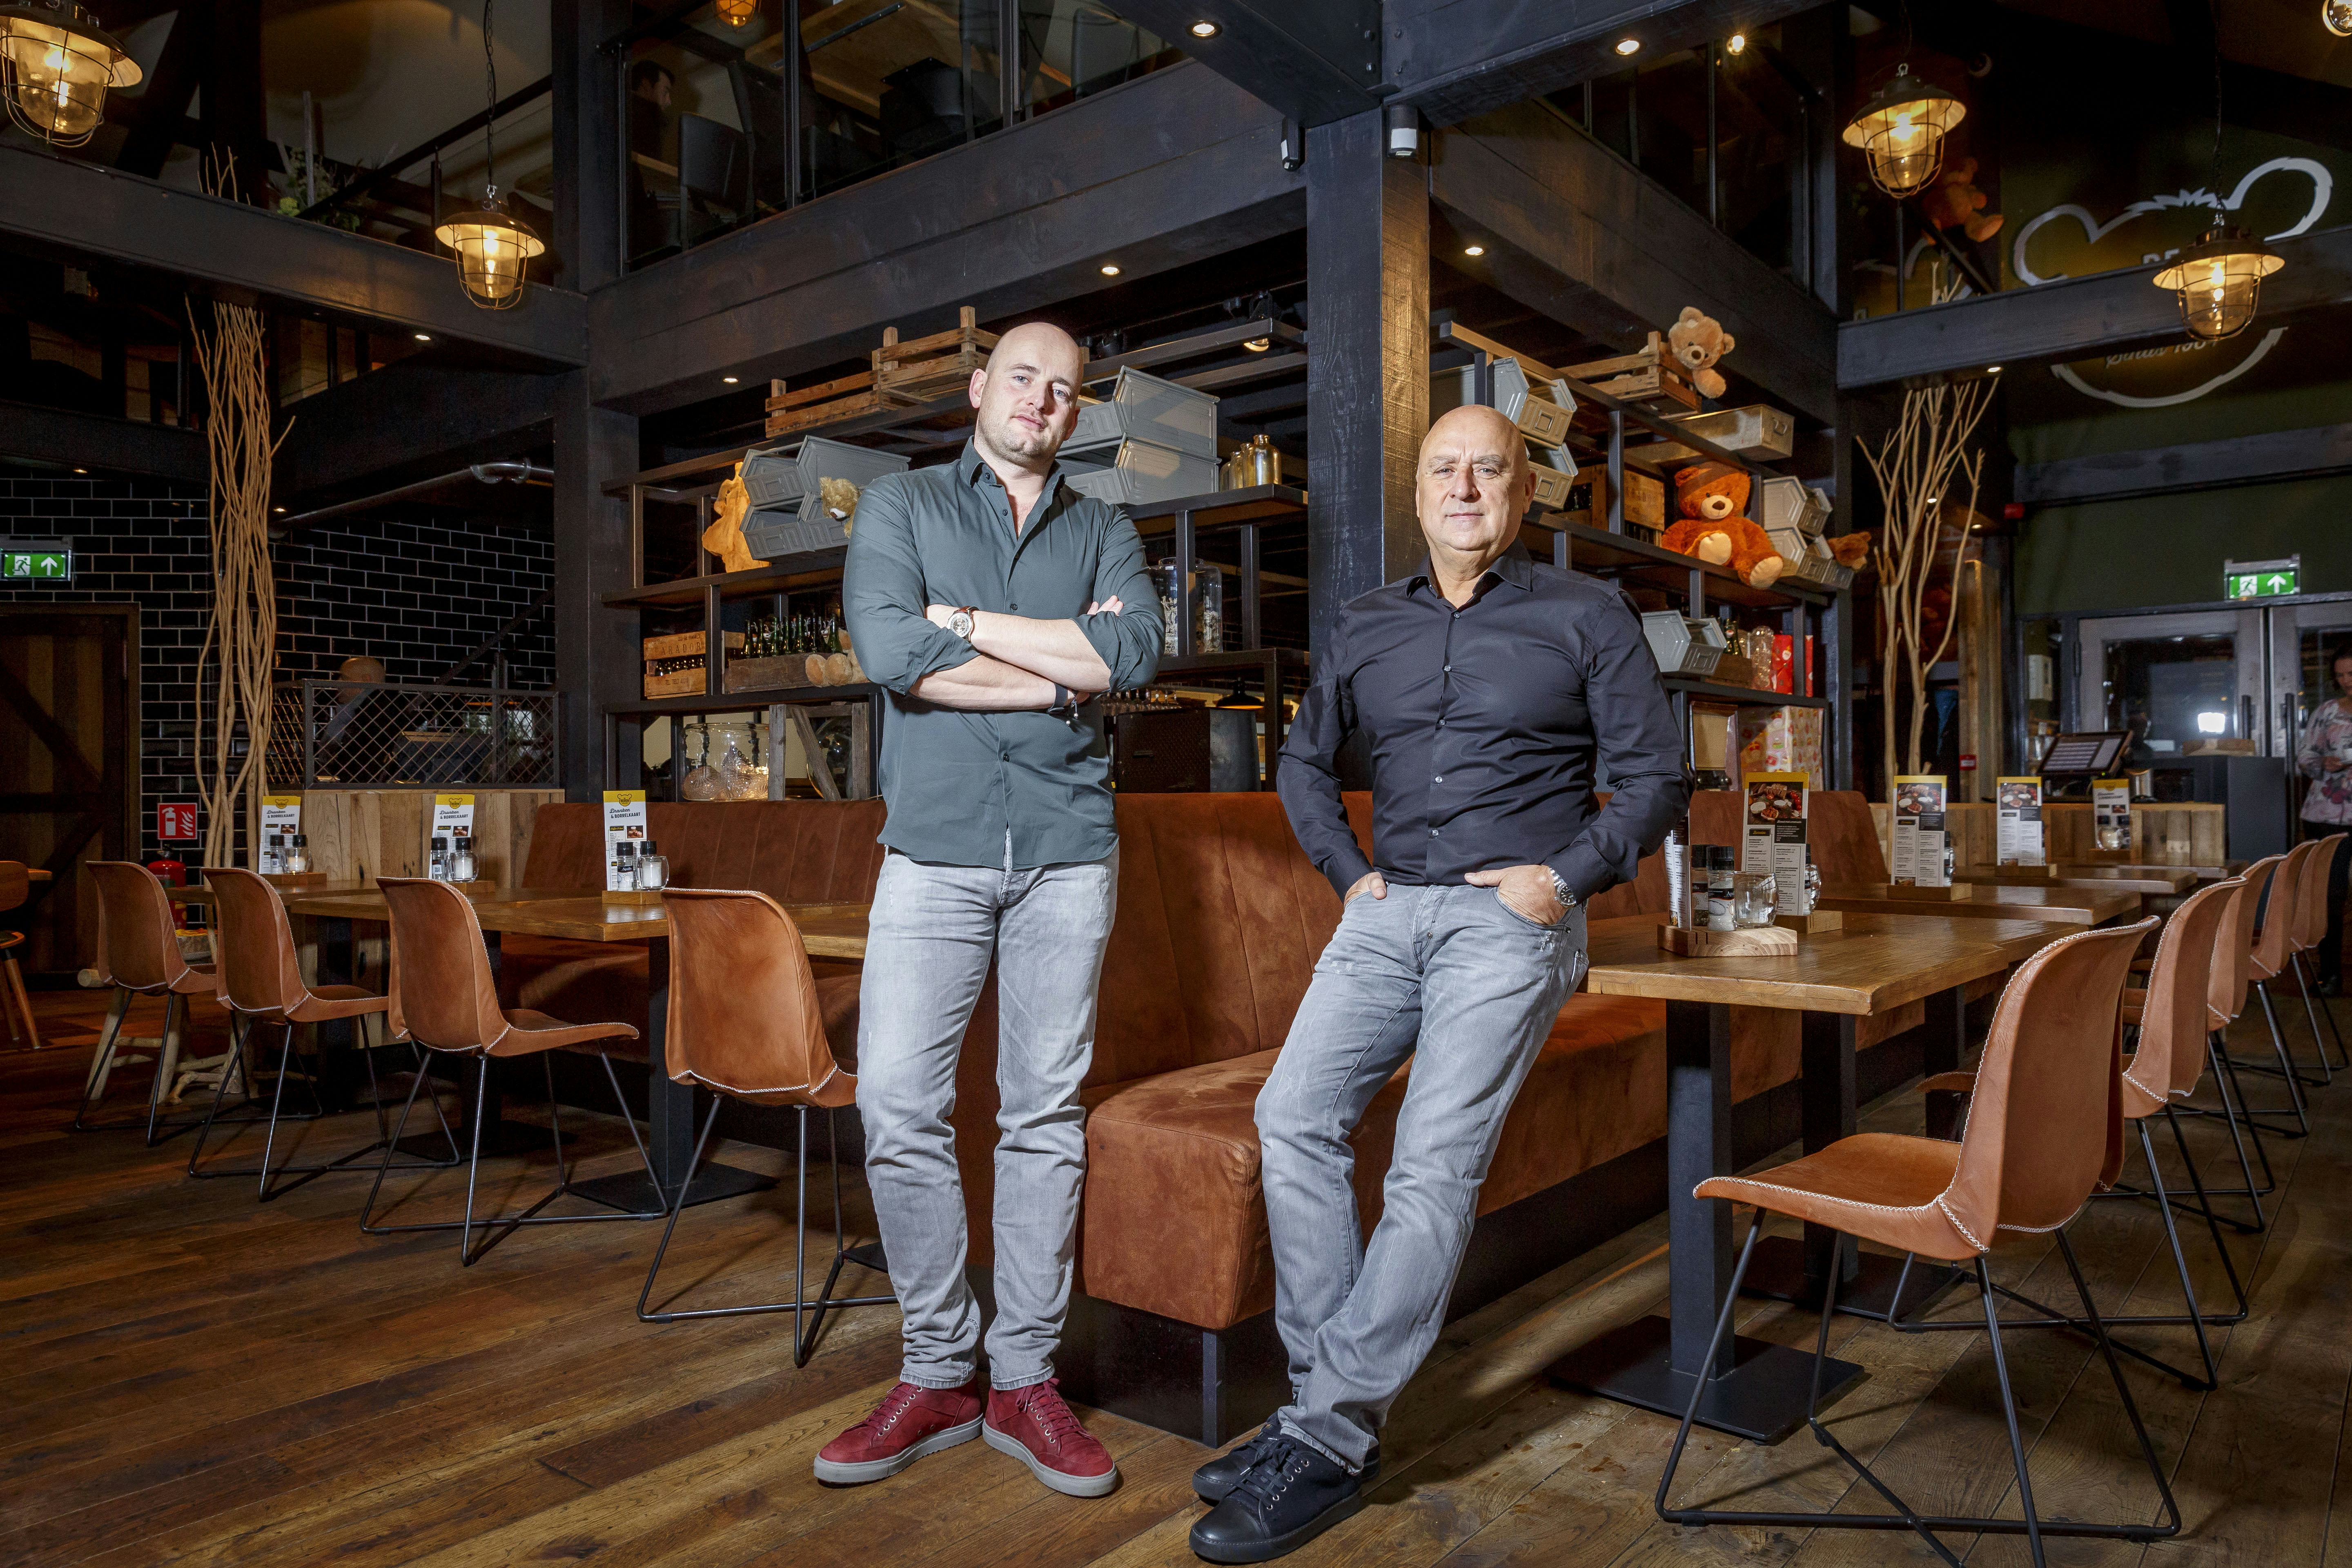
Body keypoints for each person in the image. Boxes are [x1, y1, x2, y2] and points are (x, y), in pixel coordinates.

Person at [1187, 404, 1689, 1562]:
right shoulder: (1366, 625)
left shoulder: (1586, 613)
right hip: (1386, 911)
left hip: (1509, 921)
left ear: (1524, 495)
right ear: (1418, 494)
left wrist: (1560, 882)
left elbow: (1657, 779)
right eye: (1444, 470)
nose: (1466, 488)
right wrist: (1350, 876)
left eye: (1491, 471)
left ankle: (1318, 1435)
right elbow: (1304, 761)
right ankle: (1324, 1418)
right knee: (1293, 1117)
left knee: (1430, 1157)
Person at [820, 322, 1162, 1497]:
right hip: (932, 850)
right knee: (903, 1104)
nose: (1043, 402)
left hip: (1070, 854)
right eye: (1024, 379)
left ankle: (1023, 1380)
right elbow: (888, 646)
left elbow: (1136, 660)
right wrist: (1060, 671)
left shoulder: (1106, 525)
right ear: (981, 389)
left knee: (1043, 1115)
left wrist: (963, 628)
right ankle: (936, 1370)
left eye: (1065, 392)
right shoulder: (902, 507)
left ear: (1075, 415)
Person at [2295, 639, 2352, 995]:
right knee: (2331, 896)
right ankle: (2330, 975)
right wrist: (2322, 763)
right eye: (2342, 675)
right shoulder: (2327, 712)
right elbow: (2305, 758)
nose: (2348, 680)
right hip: (2327, 815)